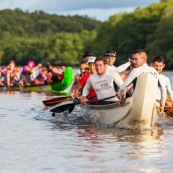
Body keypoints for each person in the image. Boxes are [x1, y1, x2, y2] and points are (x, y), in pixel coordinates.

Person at [119, 49, 166, 114]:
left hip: (136, 104)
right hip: (151, 103)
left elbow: (122, 87)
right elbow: (163, 89)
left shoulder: (136, 70)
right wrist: (162, 105)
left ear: (143, 59)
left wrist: (122, 99)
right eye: (132, 59)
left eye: (135, 59)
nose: (133, 61)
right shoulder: (154, 70)